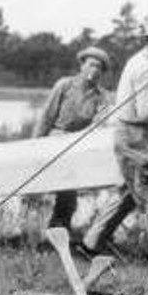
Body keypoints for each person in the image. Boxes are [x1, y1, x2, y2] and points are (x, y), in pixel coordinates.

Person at [80, 14, 148, 267]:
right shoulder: (145, 67)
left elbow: (145, 105)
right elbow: (146, 111)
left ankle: (90, 244)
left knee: (127, 193)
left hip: (135, 133)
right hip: (135, 136)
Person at [32, 46, 114, 235]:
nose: (95, 70)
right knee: (40, 190)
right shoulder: (64, 85)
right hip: (55, 139)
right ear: (82, 66)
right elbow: (47, 116)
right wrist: (35, 144)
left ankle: (58, 230)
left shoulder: (102, 97)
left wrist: (86, 135)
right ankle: (36, 231)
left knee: (68, 193)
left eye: (100, 68)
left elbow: (99, 124)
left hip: (79, 145)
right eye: (92, 65)